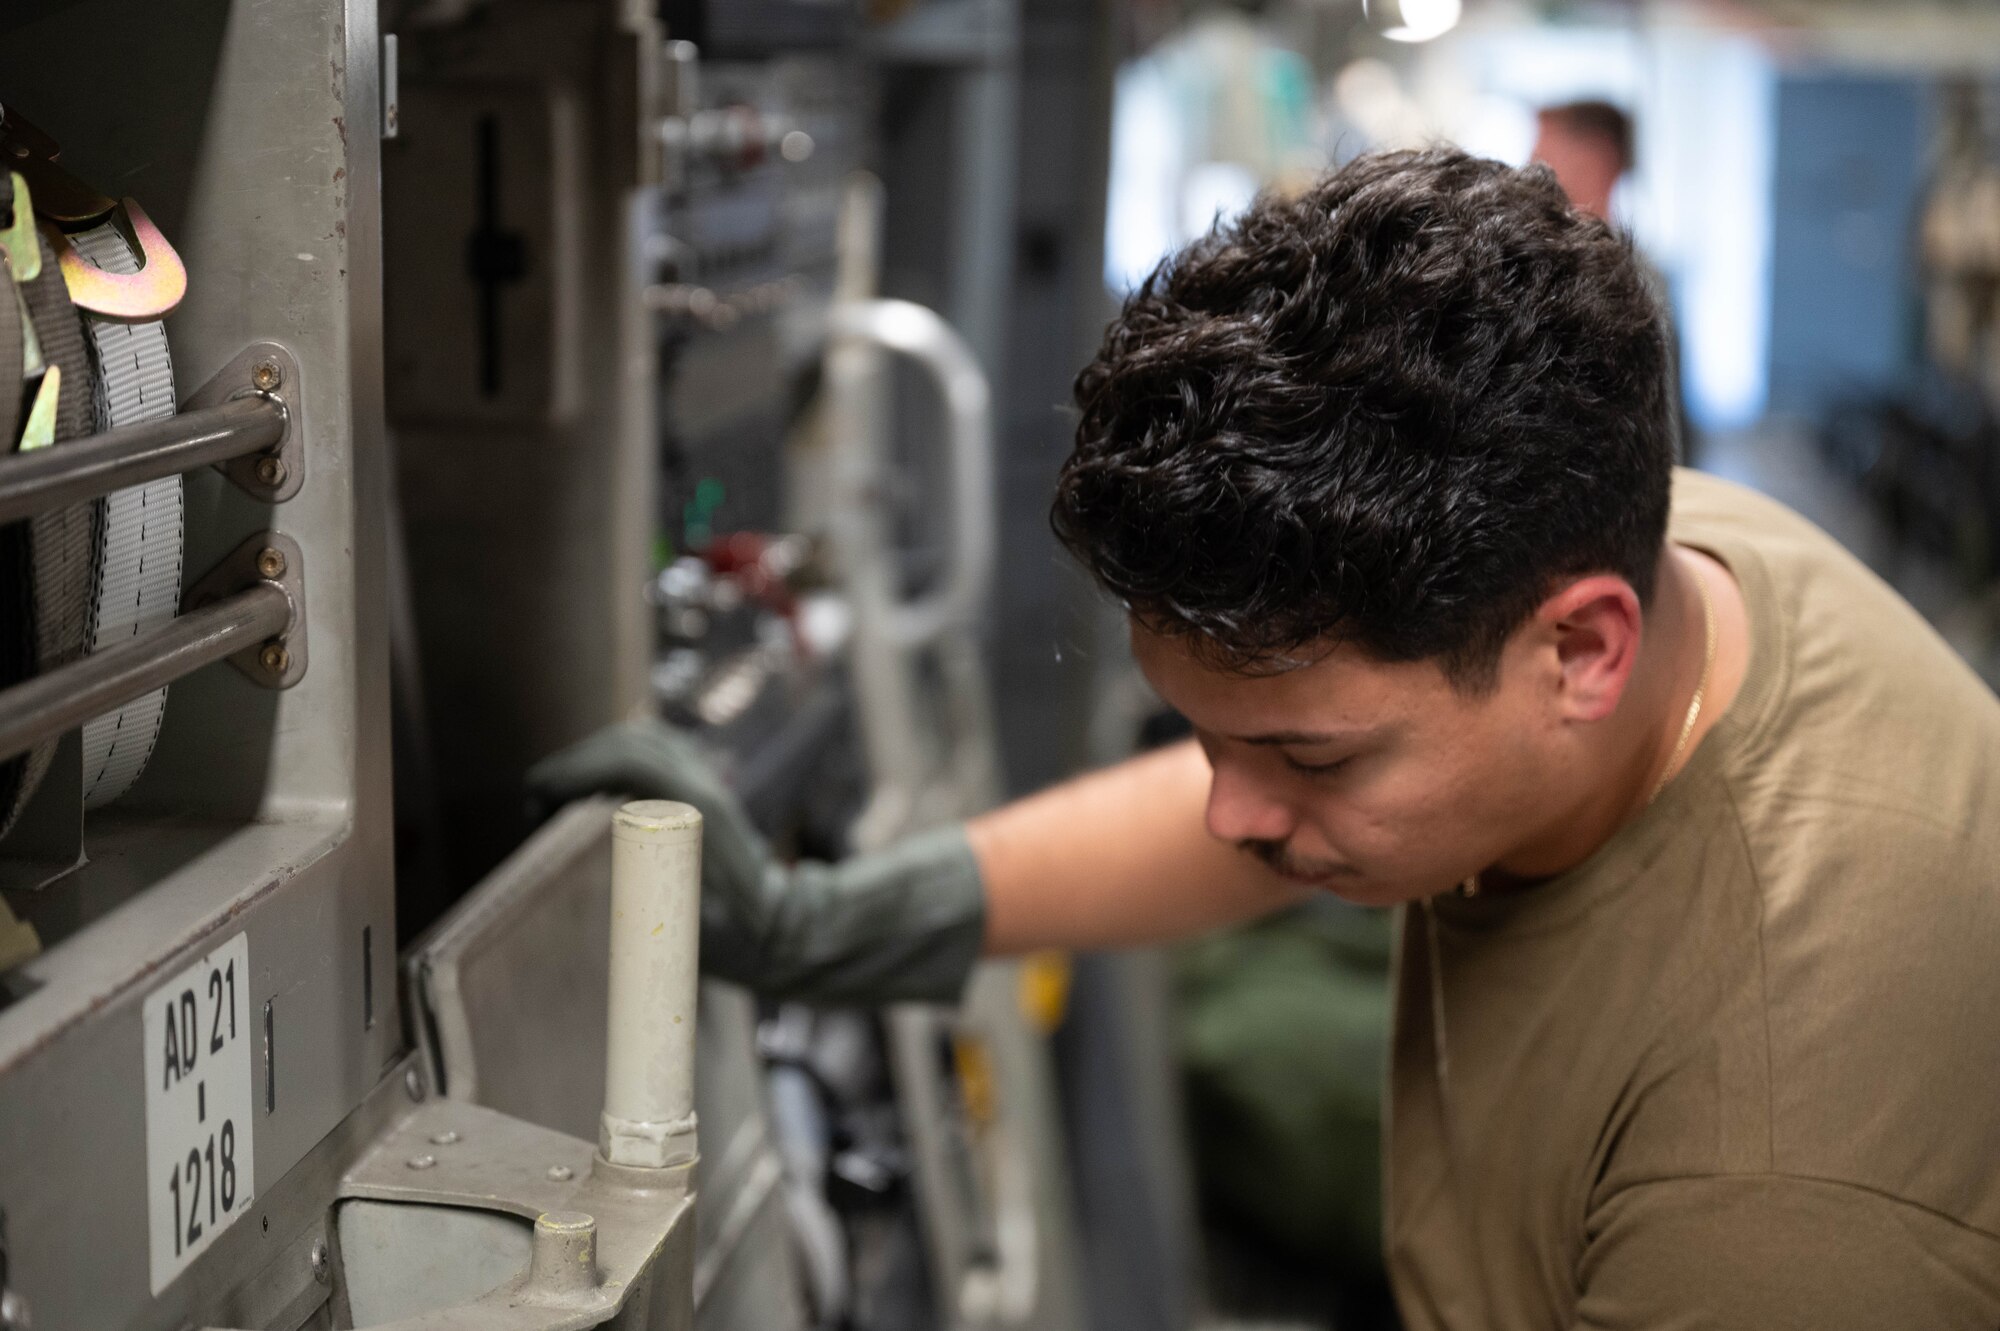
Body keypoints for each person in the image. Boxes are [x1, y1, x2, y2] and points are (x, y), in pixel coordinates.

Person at [533, 148, 2000, 1327]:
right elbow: (1250, 806)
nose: (1232, 811)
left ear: (1580, 652)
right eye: (1207, 737)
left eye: (1309, 759)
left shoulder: (1775, 1205)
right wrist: (831, 922)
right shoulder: (1656, 554)